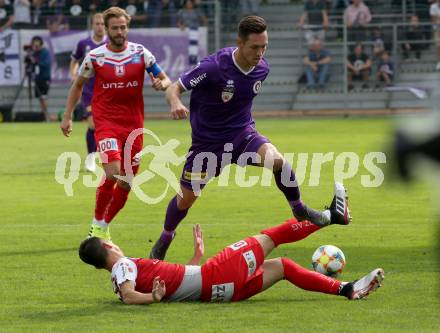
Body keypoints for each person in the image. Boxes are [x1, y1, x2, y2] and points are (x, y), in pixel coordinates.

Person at [149, 16, 350, 260]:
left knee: (277, 161)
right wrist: (176, 103)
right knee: (185, 199)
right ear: (240, 43)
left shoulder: (262, 69)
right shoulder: (213, 67)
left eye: (264, 46)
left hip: (242, 135)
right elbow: (174, 88)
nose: (260, 52)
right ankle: (166, 236)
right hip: (207, 145)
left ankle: (299, 209)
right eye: (255, 47)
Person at [79, 201, 384, 304]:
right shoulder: (123, 267)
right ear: (108, 246)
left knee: (284, 267)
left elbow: (176, 283)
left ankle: (346, 289)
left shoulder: (126, 272)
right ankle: (332, 215)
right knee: (271, 236)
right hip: (217, 275)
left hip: (220, 289)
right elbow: (131, 295)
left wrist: (196, 257)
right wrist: (151, 298)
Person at [60, 7, 172, 240]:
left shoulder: (141, 53)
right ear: (107, 29)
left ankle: (102, 226)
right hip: (107, 121)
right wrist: (68, 115)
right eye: (115, 28)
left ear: (127, 27)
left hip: (133, 125)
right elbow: (78, 85)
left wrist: (162, 84)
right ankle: (97, 222)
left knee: (126, 182)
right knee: (113, 173)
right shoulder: (95, 57)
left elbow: (165, 78)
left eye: (123, 27)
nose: (120, 32)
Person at [69, 13, 106, 173]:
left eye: (102, 24)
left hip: (108, 92)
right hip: (89, 92)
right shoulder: (83, 44)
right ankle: (91, 158)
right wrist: (74, 76)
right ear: (92, 25)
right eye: (97, 23)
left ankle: (109, 156)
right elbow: (74, 61)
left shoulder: (112, 44)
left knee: (105, 126)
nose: (100, 26)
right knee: (93, 123)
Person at [30, 36, 52, 121]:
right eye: (34, 45)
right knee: (40, 98)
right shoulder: (34, 53)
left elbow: (46, 63)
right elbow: (32, 65)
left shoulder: (45, 52)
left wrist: (36, 62)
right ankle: (43, 115)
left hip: (44, 78)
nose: (36, 47)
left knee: (43, 97)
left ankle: (46, 116)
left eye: (37, 45)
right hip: (37, 78)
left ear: (41, 44)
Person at [430, 0, 440, 70]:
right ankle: (439, 62)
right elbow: (434, 19)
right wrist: (437, 20)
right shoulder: (433, 6)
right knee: (438, 46)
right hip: (437, 29)